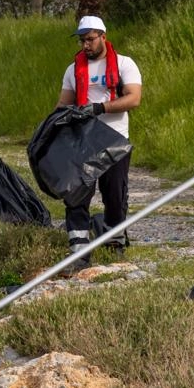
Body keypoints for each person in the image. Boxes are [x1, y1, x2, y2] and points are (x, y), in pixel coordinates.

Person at [57, 15, 141, 267]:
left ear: (103, 36)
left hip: (115, 139)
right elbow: (63, 104)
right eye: (82, 40)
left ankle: (115, 240)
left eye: (90, 39)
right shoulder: (73, 70)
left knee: (114, 193)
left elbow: (133, 99)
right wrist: (57, 124)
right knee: (76, 193)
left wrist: (98, 108)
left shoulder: (125, 64)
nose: (85, 45)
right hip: (83, 141)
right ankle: (79, 248)